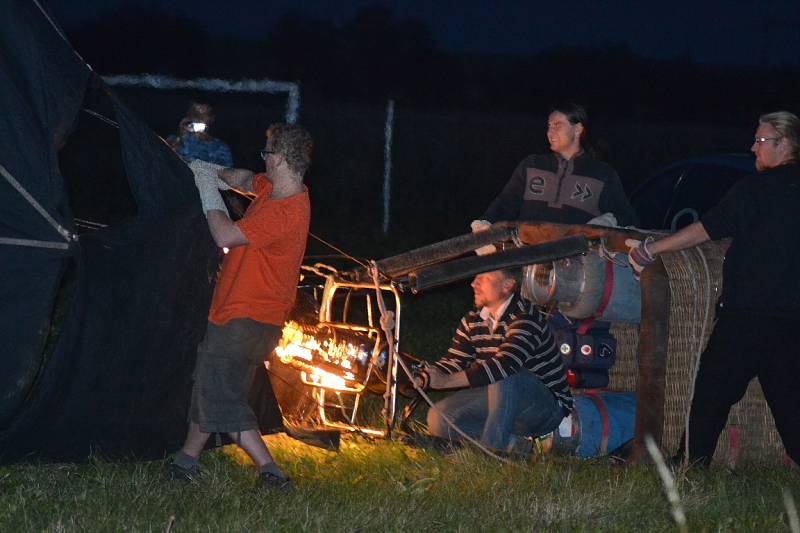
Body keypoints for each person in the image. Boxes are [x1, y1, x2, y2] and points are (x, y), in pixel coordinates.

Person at [627, 110, 800, 467]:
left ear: (784, 144)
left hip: (748, 315)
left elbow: (707, 228)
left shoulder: (757, 189)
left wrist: (652, 248)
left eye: (761, 140)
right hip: (789, 320)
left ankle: (691, 463)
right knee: (790, 405)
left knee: (711, 395)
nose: (753, 148)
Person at [167, 123, 313, 488]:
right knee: (212, 383)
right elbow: (246, 179)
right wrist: (212, 170)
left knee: (221, 393)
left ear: (278, 158)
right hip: (241, 314)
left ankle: (270, 471)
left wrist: (206, 190)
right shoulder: (275, 191)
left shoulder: (286, 211)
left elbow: (225, 234)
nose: (262, 162)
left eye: (267, 155)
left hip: (246, 318)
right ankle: (185, 461)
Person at [420, 268, 573, 453]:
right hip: (501, 400)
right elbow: (453, 363)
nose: (473, 283)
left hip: (544, 408)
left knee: (504, 373)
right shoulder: (472, 321)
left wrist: (445, 381)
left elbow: (505, 364)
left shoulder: (525, 316)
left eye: (483, 277)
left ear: (507, 285)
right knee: (439, 417)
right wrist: (423, 376)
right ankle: (514, 444)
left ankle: (490, 454)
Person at [472, 103, 638, 235]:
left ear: (578, 129)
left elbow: (627, 218)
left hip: (577, 262)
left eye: (557, 125)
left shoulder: (602, 174)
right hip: (528, 256)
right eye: (549, 126)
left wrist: (608, 221)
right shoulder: (532, 165)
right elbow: (506, 202)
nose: (550, 132)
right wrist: (485, 223)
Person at [167, 101, 234, 167]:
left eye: (204, 114)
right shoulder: (174, 139)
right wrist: (180, 136)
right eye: (194, 112)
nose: (198, 118)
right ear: (188, 115)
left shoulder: (220, 147)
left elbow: (224, 171)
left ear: (211, 118)